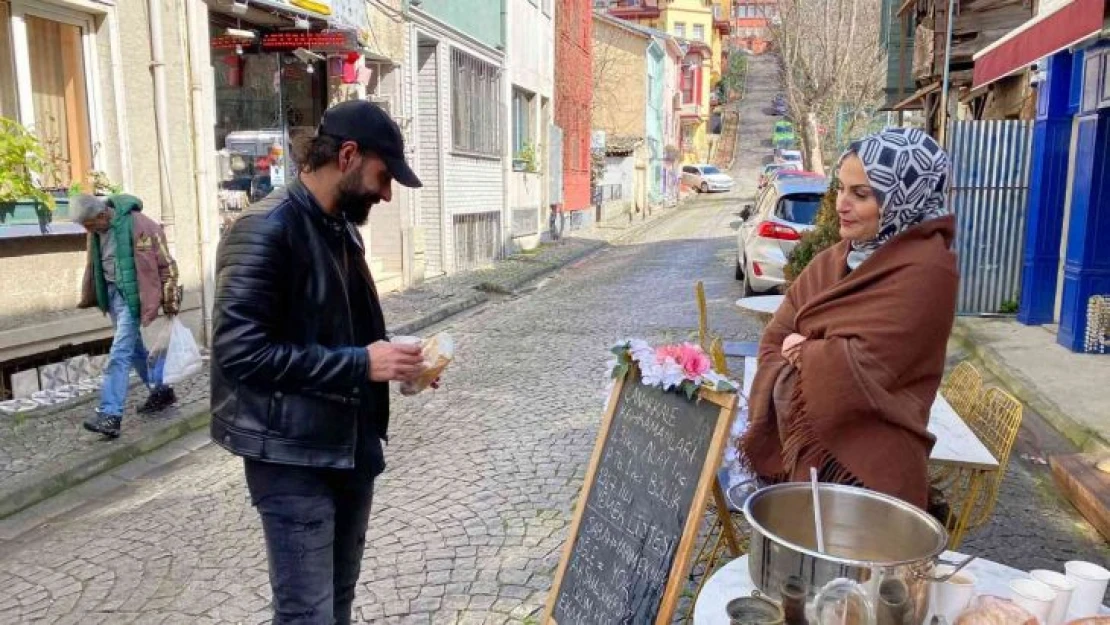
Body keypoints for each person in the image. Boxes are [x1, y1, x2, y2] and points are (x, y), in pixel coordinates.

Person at [209, 100, 426, 624]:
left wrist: (397, 361)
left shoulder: (340, 228)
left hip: (349, 448)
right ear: (348, 155)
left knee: (338, 603)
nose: (386, 191)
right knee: (308, 614)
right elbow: (239, 351)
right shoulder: (265, 228)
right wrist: (360, 365)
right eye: (382, 175)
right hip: (289, 458)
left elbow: (346, 333)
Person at [740, 128, 958, 510]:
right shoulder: (836, 258)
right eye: (840, 189)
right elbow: (776, 337)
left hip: (871, 474)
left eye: (861, 194)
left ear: (904, 199)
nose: (841, 204)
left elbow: (865, 367)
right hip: (805, 463)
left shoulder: (927, 271)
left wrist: (804, 349)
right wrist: (812, 349)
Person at [74, 193, 180, 438]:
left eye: (90, 225)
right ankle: (161, 390)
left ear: (102, 215)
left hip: (133, 298)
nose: (89, 231)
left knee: (119, 354)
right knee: (134, 351)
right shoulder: (96, 231)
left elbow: (166, 263)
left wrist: (170, 297)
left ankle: (110, 415)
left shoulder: (141, 225)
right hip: (112, 296)